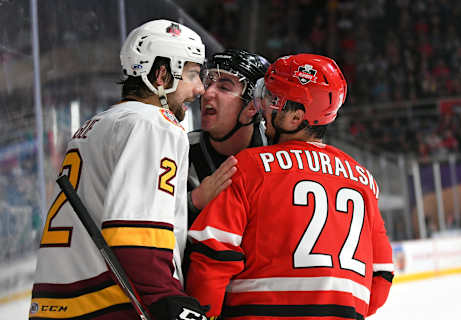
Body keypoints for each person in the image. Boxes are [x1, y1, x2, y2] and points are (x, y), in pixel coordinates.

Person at [186, 54, 394, 319]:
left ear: (295, 118)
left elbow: (212, 255)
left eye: (273, 100)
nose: (263, 106)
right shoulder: (363, 179)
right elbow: (382, 273)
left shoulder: (249, 166)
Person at [30, 20, 207, 320]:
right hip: (107, 306)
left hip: (55, 305)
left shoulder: (94, 126)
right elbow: (137, 239)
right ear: (161, 74)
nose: (200, 88)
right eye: (192, 74)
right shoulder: (155, 124)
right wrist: (167, 300)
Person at [187, 49, 270, 224]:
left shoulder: (276, 154)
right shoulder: (181, 148)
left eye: (224, 87)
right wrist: (193, 200)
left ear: (252, 107)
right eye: (207, 83)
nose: (206, 93)